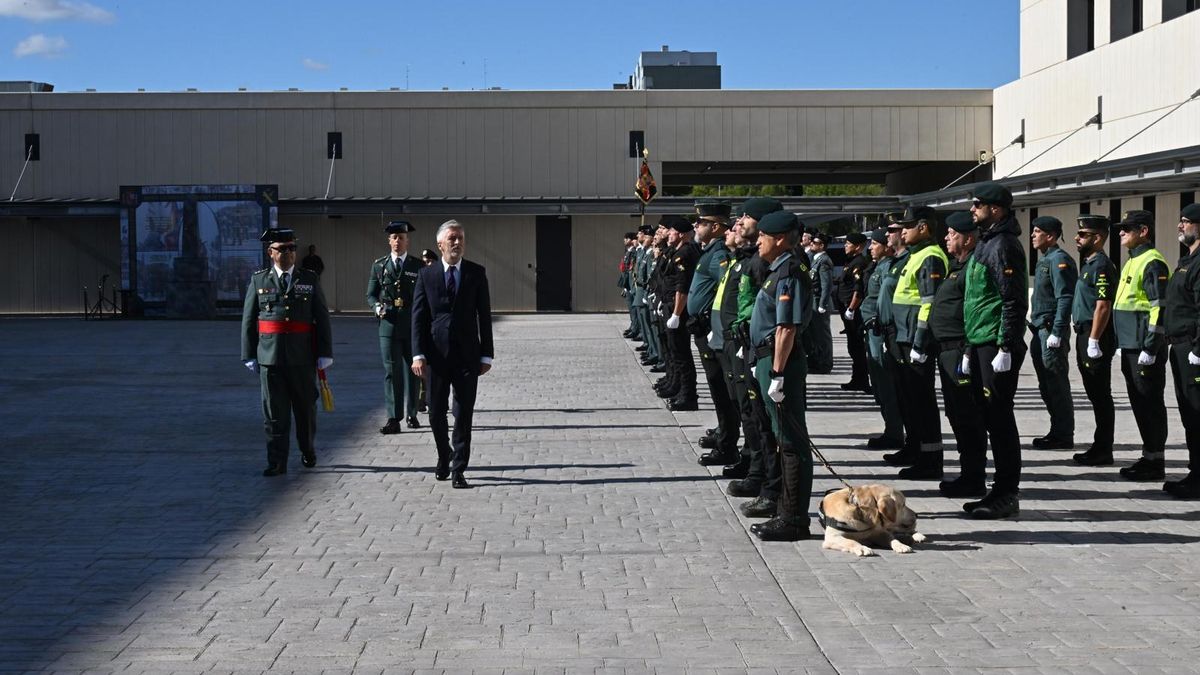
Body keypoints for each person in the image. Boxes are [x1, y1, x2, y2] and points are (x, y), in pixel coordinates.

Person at [241, 228, 333, 477]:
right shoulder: (259, 280)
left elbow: (321, 317)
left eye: (292, 248)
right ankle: (276, 461)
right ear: (271, 252)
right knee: (274, 413)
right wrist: (248, 353)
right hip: (270, 358)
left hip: (302, 358)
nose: (288, 253)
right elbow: (249, 320)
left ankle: (307, 449)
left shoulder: (309, 278)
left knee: (305, 409)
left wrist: (325, 352)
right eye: (282, 249)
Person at [961, 182, 1028, 519]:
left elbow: (1013, 299)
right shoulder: (986, 243)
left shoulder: (1003, 245)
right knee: (988, 416)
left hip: (996, 344)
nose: (973, 209)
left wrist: (1005, 345)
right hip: (981, 342)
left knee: (1000, 419)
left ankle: (1006, 493)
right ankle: (996, 490)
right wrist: (969, 347)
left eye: (978, 204)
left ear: (997, 209)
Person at [411, 219, 494, 489]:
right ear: (440, 244)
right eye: (452, 239)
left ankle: (459, 467)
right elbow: (418, 317)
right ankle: (443, 453)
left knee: (464, 412)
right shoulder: (427, 275)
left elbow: (484, 315)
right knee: (435, 411)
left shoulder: (475, 273)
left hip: (467, 355)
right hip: (436, 355)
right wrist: (418, 354)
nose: (457, 243)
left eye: (460, 238)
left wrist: (486, 355)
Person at [748, 209, 814, 542]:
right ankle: (787, 512)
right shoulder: (777, 271)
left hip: (782, 364)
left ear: (779, 239)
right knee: (782, 437)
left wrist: (776, 372)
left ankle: (794, 518)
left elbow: (786, 327)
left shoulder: (789, 271)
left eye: (762, 236)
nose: (757, 240)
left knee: (791, 441)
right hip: (768, 360)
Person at [723, 197, 785, 520]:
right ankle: (761, 477)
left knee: (768, 426)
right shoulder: (749, 259)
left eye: (747, 216)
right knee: (754, 418)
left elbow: (774, 316)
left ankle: (771, 488)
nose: (741, 222)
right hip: (747, 347)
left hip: (760, 351)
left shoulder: (764, 264)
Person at [888, 206, 949, 479]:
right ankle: (914, 449)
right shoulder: (915, 255)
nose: (902, 231)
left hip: (915, 338)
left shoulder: (930, 257)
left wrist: (921, 342)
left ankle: (931, 459)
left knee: (922, 401)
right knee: (909, 400)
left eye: (907, 226)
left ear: (923, 227)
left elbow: (929, 303)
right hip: (903, 336)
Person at [931, 212, 988, 497]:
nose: (946, 238)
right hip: (946, 350)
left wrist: (967, 351)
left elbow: (973, 312)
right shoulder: (958, 265)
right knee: (956, 413)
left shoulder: (972, 268)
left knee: (968, 415)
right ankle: (969, 473)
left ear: (967, 239)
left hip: (959, 350)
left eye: (952, 234)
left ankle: (974, 477)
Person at [1112, 210, 1170, 481]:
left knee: (1150, 403)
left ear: (1143, 231)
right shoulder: (1133, 260)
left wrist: (1150, 347)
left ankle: (1155, 461)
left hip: (1144, 348)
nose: (1121, 232)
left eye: (1127, 228)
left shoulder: (1152, 262)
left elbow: (1159, 308)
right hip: (1131, 345)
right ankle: (1148, 456)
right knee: (1139, 401)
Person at [688, 200, 739, 463]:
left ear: (717, 227)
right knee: (718, 389)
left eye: (701, 222)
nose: (696, 226)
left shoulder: (719, 254)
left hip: (711, 331)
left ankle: (727, 444)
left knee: (722, 391)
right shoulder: (710, 251)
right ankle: (724, 435)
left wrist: (708, 320)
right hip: (706, 330)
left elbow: (727, 291)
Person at [367, 221, 424, 434]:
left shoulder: (417, 266)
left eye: (401, 237)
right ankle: (393, 417)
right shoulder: (379, 266)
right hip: (388, 326)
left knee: (413, 371)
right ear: (389, 241)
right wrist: (376, 306)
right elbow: (371, 294)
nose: (397, 241)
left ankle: (412, 414)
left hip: (412, 326)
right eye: (394, 237)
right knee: (392, 372)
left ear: (407, 240)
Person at [1070, 215, 1118, 466]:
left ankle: (1103, 449)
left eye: (1083, 234)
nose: (1077, 238)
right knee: (1095, 394)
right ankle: (1099, 446)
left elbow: (1103, 305)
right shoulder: (1089, 263)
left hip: (1094, 334)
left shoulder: (1101, 265)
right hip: (1084, 332)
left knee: (1101, 395)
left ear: (1097, 238)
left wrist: (1094, 340)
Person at [1028, 216, 1078, 449]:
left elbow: (1065, 297)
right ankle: (1056, 429)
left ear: (1050, 236)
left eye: (1037, 231)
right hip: (1039, 329)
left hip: (1050, 330)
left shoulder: (1059, 260)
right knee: (1046, 384)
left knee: (1056, 384)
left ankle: (1063, 434)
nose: (1033, 235)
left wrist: (1057, 331)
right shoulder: (1045, 260)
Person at [1163, 203, 1200, 498]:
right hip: (1179, 346)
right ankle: (1195, 471)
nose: (1180, 226)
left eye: (1186, 222)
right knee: (1189, 412)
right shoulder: (1187, 259)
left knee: (1197, 412)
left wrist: (1198, 348)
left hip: (1192, 348)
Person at [860, 225, 905, 449]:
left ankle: (895, 431)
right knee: (879, 383)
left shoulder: (889, 268)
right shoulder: (879, 266)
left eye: (875, 244)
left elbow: (886, 300)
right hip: (872, 331)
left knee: (886, 384)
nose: (871, 248)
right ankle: (892, 429)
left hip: (880, 332)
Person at [660, 217, 702, 411]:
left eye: (673, 231)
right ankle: (680, 390)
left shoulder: (684, 253)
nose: (669, 233)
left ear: (682, 234)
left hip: (678, 308)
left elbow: (682, 287)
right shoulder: (677, 252)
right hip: (670, 304)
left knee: (681, 354)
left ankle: (688, 395)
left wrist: (676, 313)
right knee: (675, 352)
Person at [837, 232, 871, 392]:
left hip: (853, 312)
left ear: (858, 246)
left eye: (848, 243)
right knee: (853, 347)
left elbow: (858, 289)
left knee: (857, 348)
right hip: (847, 310)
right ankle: (857, 378)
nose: (845, 246)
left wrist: (851, 308)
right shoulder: (850, 262)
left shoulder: (859, 263)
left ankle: (862, 380)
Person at [804, 231, 835, 374]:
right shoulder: (814, 259)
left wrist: (823, 304)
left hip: (819, 301)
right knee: (814, 334)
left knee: (822, 335)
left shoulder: (824, 261)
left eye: (814, 243)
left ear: (822, 245)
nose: (811, 244)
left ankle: (825, 363)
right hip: (813, 301)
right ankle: (816, 361)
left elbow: (826, 284)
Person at [620, 232, 640, 339]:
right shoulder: (627, 252)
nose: (625, 240)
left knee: (634, 307)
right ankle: (633, 326)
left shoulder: (634, 252)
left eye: (627, 238)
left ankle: (636, 328)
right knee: (631, 307)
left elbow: (631, 269)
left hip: (632, 283)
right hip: (628, 282)